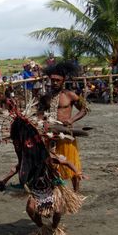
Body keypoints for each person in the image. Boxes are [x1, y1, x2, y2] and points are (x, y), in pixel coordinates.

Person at [38, 62, 88, 192]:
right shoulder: (46, 97)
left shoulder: (70, 95)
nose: (54, 83)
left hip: (66, 135)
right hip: (51, 135)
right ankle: (56, 191)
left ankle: (76, 193)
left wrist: (71, 120)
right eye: (52, 80)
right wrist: (42, 123)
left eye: (57, 80)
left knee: (72, 162)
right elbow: (39, 114)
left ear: (63, 80)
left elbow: (84, 109)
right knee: (53, 164)